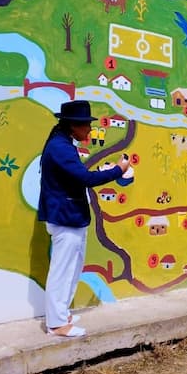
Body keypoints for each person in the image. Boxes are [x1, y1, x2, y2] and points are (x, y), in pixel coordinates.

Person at [38, 100, 130, 338]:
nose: (90, 130)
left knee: (72, 268)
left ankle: (63, 314)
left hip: (72, 217)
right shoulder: (60, 147)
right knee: (62, 271)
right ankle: (57, 324)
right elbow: (84, 178)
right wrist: (118, 170)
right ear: (73, 125)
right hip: (65, 217)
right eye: (86, 125)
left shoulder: (64, 143)